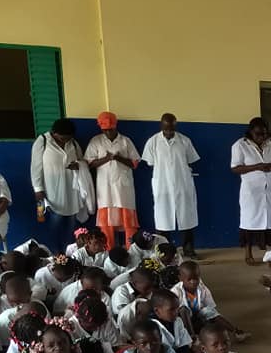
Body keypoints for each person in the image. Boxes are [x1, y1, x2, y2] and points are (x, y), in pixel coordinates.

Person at [141, 113, 201, 259]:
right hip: (163, 186)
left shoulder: (184, 141)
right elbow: (150, 162)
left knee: (187, 218)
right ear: (161, 125)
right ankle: (165, 252)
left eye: (171, 128)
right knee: (163, 220)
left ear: (175, 125)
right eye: (166, 128)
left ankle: (188, 250)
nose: (168, 131)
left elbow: (191, 160)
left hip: (183, 185)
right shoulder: (153, 142)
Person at [30, 118, 90, 251]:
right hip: (50, 193)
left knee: (71, 226)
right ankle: (55, 253)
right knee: (53, 225)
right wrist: (38, 189)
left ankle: (68, 253)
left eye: (68, 138)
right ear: (54, 133)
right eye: (62, 138)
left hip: (72, 192)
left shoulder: (73, 144)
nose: (65, 141)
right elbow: (35, 168)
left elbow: (83, 162)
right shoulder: (42, 141)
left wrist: (78, 165)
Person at [85, 111, 140, 249]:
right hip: (105, 189)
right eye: (105, 130)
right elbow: (89, 163)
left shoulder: (125, 141)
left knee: (128, 222)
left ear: (116, 126)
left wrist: (118, 158)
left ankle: (132, 249)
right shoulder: (96, 141)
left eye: (111, 129)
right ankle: (108, 250)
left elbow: (134, 163)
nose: (108, 132)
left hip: (123, 189)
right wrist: (107, 158)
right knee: (106, 224)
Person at [231, 117, 271, 264]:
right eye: (258, 134)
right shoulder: (240, 145)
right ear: (250, 132)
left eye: (264, 134)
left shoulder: (270, 145)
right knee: (249, 222)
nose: (262, 137)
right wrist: (257, 167)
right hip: (252, 192)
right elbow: (235, 168)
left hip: (270, 190)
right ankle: (248, 253)